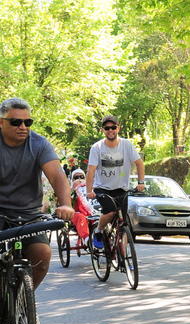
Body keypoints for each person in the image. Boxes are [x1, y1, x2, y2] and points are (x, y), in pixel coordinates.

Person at [0, 97, 74, 288]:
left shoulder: (39, 144)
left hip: (28, 216)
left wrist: (66, 204)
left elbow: (56, 176)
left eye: (28, 122)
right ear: (1, 122)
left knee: (42, 255)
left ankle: (23, 299)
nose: (23, 127)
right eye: (16, 122)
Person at [86, 115, 144, 250]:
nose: (110, 130)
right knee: (110, 212)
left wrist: (141, 182)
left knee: (123, 223)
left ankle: (122, 253)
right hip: (102, 188)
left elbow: (139, 164)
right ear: (102, 130)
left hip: (121, 189)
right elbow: (91, 170)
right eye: (107, 128)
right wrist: (89, 191)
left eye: (113, 127)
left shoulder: (126, 145)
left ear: (118, 128)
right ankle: (99, 231)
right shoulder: (97, 147)